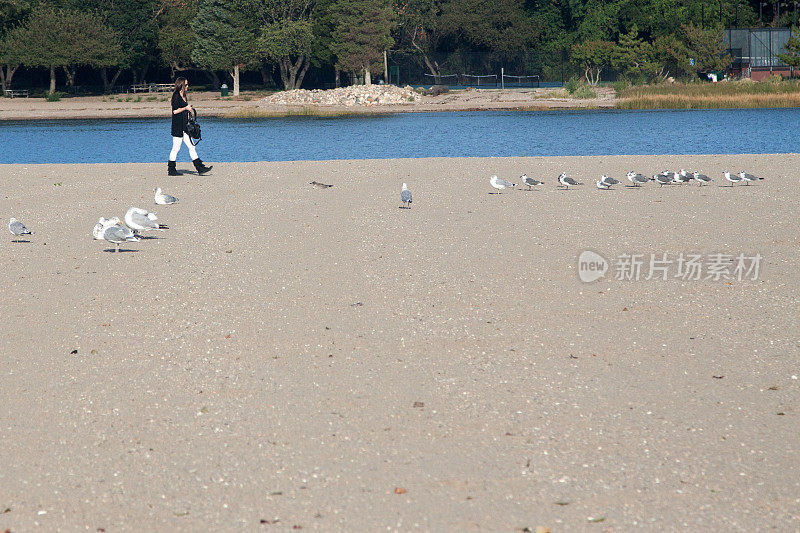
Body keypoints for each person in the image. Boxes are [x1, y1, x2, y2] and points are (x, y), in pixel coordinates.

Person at [168, 77, 212, 176]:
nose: (187, 86)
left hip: (185, 126)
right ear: (181, 85)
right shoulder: (176, 96)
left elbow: (183, 110)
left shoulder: (184, 95)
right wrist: (185, 108)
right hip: (177, 126)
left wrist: (189, 110)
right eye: (186, 85)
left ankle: (200, 167)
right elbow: (175, 111)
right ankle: (171, 169)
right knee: (176, 148)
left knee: (191, 146)